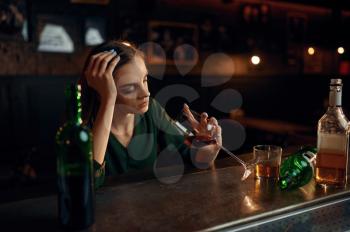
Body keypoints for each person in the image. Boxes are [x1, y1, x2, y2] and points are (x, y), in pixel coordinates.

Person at [80, 40, 222, 188]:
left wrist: (207, 150)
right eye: (129, 88)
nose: (146, 93)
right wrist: (107, 100)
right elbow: (88, 183)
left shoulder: (152, 110)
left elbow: (191, 155)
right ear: (100, 90)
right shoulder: (81, 125)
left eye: (145, 79)